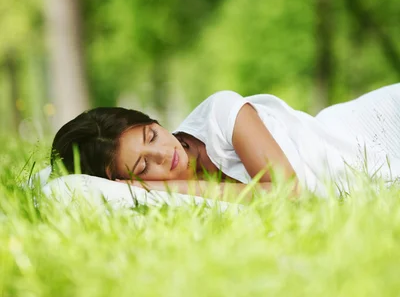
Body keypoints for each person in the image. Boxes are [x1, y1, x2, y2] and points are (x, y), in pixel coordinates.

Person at [51, 84, 400, 199]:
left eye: (152, 135)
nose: (164, 153)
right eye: (144, 164)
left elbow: (288, 196)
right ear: (126, 180)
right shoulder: (163, 203)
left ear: (153, 121)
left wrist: (174, 188)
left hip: (368, 130)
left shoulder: (221, 115)